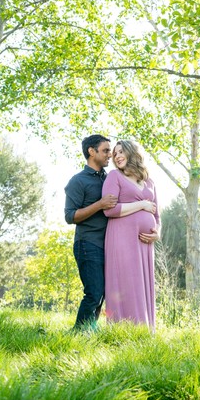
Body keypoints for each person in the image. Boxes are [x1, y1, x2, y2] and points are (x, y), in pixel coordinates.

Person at [102, 139, 161, 331]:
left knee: (142, 283)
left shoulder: (149, 182)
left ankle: (145, 330)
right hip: (122, 238)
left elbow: (157, 215)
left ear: (132, 153)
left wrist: (157, 233)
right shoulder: (114, 177)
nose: (116, 156)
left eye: (121, 152)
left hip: (145, 244)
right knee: (127, 280)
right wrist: (141, 205)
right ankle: (123, 329)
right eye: (114, 154)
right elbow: (109, 211)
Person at [64, 134, 118, 331]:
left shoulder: (110, 179)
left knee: (103, 292)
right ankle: (78, 333)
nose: (110, 155)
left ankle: (89, 331)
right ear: (91, 151)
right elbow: (70, 216)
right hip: (87, 244)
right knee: (94, 292)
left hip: (108, 245)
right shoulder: (77, 181)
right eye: (105, 150)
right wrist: (100, 204)